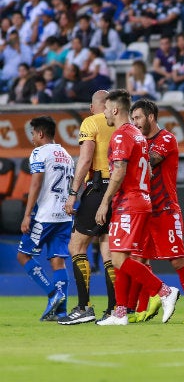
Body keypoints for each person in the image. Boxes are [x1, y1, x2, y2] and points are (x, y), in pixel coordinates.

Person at [94, 89, 180, 326]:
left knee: (118, 259)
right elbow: (149, 169)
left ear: (114, 109)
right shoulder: (138, 135)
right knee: (127, 257)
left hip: (128, 203)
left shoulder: (121, 136)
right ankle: (120, 312)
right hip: (142, 200)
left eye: (105, 108)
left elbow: (119, 170)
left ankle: (164, 291)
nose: (104, 113)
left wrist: (105, 202)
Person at [129, 99, 184, 324]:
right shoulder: (139, 140)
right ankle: (145, 306)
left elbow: (151, 160)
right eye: (132, 119)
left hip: (165, 210)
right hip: (145, 211)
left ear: (151, 117)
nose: (135, 123)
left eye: (138, 118)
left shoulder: (166, 139)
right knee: (138, 259)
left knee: (177, 261)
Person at [58, 90, 118, 325]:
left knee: (76, 245)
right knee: (108, 250)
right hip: (117, 190)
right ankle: (114, 309)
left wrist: (73, 194)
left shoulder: (91, 121)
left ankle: (84, 307)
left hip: (98, 187)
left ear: (94, 107)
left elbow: (84, 160)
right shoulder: (123, 124)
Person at [17, 116, 74, 321]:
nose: (32, 138)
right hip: (65, 216)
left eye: (33, 133)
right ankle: (61, 312)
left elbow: (36, 184)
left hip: (45, 216)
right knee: (58, 262)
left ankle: (53, 294)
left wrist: (27, 215)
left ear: (40, 133)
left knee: (23, 256)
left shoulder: (39, 152)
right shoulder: (66, 154)